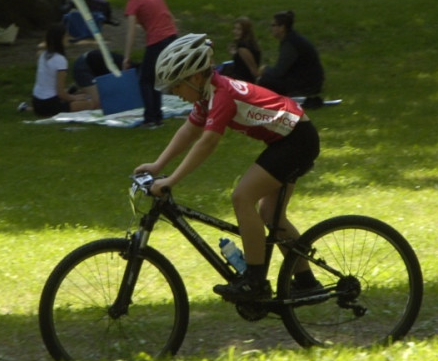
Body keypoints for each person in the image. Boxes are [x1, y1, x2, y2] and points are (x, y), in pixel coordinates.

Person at [134, 33, 321, 303]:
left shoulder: (222, 95)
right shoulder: (207, 94)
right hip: (291, 137)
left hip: (297, 140)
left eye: (177, 85)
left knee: (242, 197)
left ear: (195, 77)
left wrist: (171, 180)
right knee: (270, 215)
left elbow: (207, 142)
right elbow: (190, 130)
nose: (174, 92)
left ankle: (255, 282)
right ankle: (307, 282)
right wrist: (158, 165)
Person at [119, 0, 178, 128]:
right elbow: (170, 17)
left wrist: (127, 57)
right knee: (155, 79)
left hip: (157, 41)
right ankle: (157, 116)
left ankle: (150, 118)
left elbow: (131, 32)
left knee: (145, 80)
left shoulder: (133, 2)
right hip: (171, 37)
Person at [27, 23, 98, 117]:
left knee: (77, 92)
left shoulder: (43, 54)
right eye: (66, 36)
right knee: (91, 103)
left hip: (37, 102)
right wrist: (74, 98)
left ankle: (29, 108)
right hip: (50, 104)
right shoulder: (60, 60)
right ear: (60, 38)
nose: (68, 38)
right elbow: (61, 93)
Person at [258, 9, 325, 103]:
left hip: (307, 84)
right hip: (305, 80)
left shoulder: (290, 44)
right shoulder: (292, 39)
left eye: (273, 25)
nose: (271, 28)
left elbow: (279, 72)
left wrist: (265, 69)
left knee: (264, 80)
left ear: (282, 28)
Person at [218, 16, 262, 82]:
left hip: (242, 80)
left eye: (239, 29)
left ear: (245, 31)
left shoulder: (243, 48)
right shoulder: (247, 44)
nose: (235, 32)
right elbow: (242, 63)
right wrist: (235, 54)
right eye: (234, 28)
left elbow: (253, 71)